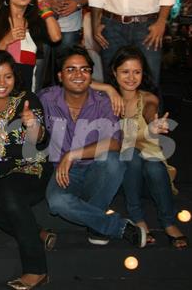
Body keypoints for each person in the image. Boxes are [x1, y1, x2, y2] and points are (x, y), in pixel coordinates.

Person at [39, 46, 146, 248]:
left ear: (91, 74)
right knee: (57, 202)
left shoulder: (104, 102)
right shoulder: (46, 98)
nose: (79, 74)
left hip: (96, 168)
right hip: (66, 174)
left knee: (115, 160)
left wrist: (72, 154)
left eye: (85, 69)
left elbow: (115, 143)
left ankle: (94, 220)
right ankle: (114, 226)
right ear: (60, 76)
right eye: (71, 70)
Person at [0, 51, 53, 290]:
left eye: (7, 76)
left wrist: (33, 125)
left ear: (15, 78)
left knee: (10, 194)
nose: (2, 83)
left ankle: (37, 270)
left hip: (29, 168)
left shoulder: (27, 100)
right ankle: (35, 232)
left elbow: (39, 140)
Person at [110, 46, 187, 248]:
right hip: (125, 177)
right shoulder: (107, 101)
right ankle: (138, 218)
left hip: (153, 177)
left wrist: (153, 123)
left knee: (152, 164)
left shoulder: (149, 98)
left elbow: (150, 111)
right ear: (114, 72)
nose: (131, 77)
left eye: (137, 72)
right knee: (132, 155)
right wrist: (108, 88)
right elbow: (84, 82)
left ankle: (168, 222)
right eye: (125, 71)